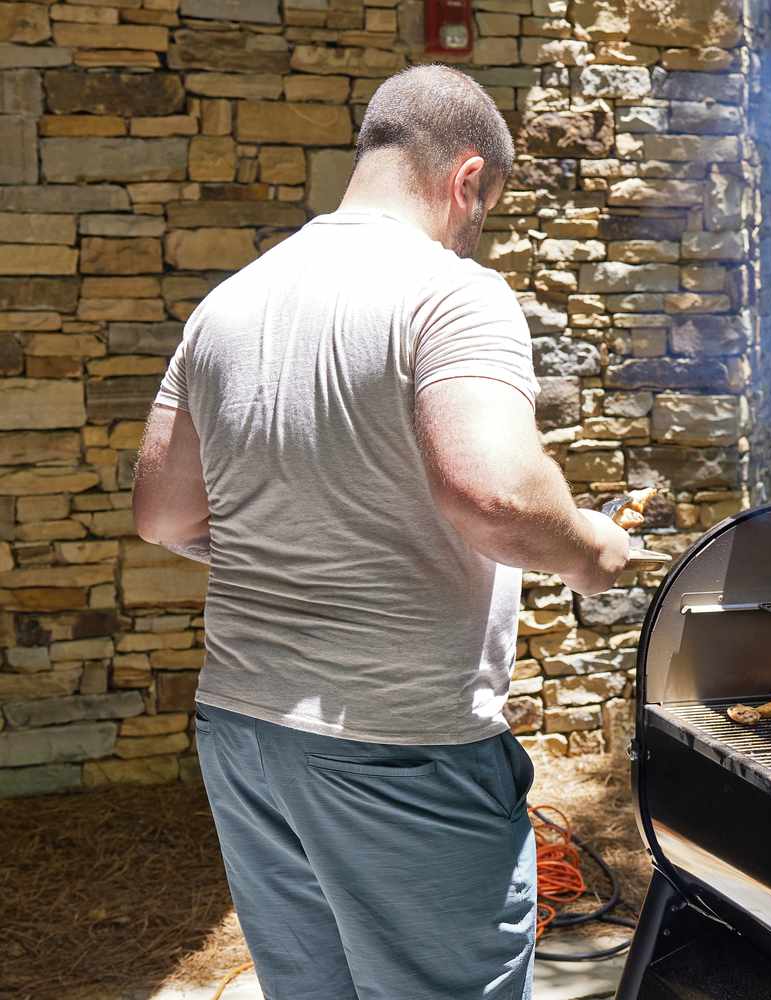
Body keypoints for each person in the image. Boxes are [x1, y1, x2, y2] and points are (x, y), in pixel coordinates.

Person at [131, 65, 631, 1000]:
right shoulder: (452, 293)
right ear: (467, 178)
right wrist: (589, 551)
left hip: (244, 728)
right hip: (398, 742)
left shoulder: (228, 302)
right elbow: (497, 497)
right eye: (484, 210)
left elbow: (162, 513)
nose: (476, 231)